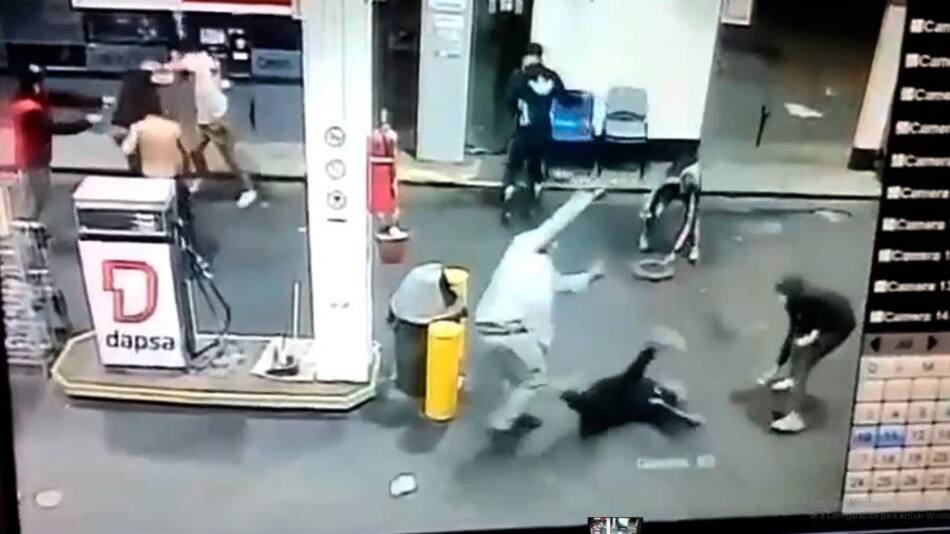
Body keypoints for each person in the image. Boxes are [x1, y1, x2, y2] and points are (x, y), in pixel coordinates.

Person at [474, 187, 606, 436]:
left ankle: (513, 412)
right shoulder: (525, 244)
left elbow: (561, 284)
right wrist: (585, 197)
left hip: (493, 327)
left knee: (514, 373)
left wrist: (591, 276)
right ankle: (503, 419)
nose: (555, 244)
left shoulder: (539, 265)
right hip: (510, 328)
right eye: (553, 242)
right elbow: (558, 222)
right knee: (534, 378)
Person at [11, 64, 111, 220]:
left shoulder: (35, 96)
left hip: (41, 157)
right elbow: (54, 128)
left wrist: (97, 101)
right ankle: (26, 229)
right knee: (32, 201)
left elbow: (64, 98)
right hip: (31, 160)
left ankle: (34, 225)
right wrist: (86, 122)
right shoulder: (27, 109)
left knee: (42, 196)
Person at [757, 276, 856, 433]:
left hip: (839, 324)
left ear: (790, 295)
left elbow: (824, 314)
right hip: (820, 319)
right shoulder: (793, 303)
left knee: (804, 359)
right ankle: (792, 378)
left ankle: (795, 418)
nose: (778, 299)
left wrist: (813, 336)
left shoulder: (811, 300)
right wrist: (777, 366)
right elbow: (793, 332)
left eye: (781, 296)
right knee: (797, 344)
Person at [171, 46, 259, 208]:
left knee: (230, 157)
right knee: (195, 149)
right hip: (204, 116)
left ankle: (249, 189)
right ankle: (201, 177)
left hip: (215, 117)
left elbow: (175, 68)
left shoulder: (196, 60)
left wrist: (174, 60)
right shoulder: (206, 60)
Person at [501, 42, 578, 224]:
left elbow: (509, 101)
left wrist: (515, 112)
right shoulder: (551, 77)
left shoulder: (518, 78)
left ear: (526, 58)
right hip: (544, 132)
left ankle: (507, 207)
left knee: (513, 168)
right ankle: (534, 203)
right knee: (536, 168)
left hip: (524, 131)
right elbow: (566, 100)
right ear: (540, 57)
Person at [561, 343, 704, 439]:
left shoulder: (656, 396)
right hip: (615, 400)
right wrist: (689, 419)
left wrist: (689, 419)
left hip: (615, 400)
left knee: (598, 407)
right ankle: (580, 405)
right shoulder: (656, 394)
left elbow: (632, 375)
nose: (678, 385)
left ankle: (579, 404)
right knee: (596, 409)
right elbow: (633, 375)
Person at [639, 153, 702, 264]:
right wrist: (649, 210)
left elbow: (689, 222)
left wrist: (674, 251)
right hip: (674, 183)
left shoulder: (693, 190)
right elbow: (655, 192)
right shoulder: (671, 179)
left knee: (693, 219)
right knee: (655, 211)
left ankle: (694, 247)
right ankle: (645, 236)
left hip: (690, 177)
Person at [110, 62, 164, 173]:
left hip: (120, 125)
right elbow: (154, 106)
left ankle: (136, 171)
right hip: (141, 126)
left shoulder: (128, 80)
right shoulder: (151, 84)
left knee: (132, 155)